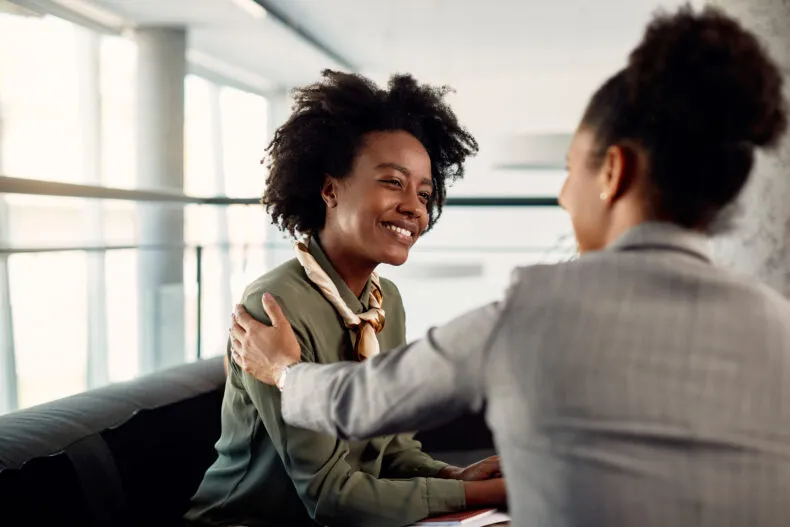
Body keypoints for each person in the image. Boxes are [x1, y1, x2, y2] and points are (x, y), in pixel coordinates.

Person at [229, 6, 790, 527]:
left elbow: (362, 403)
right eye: (394, 183)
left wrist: (283, 372)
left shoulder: (533, 310)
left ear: (613, 173)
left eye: (572, 170)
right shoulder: (778, 324)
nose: (565, 197)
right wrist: (460, 481)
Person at [185, 70, 508, 527]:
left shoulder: (384, 302)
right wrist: (482, 492)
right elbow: (330, 496)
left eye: (425, 192)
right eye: (393, 182)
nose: (415, 207)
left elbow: (391, 448)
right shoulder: (274, 306)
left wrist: (456, 473)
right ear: (330, 188)